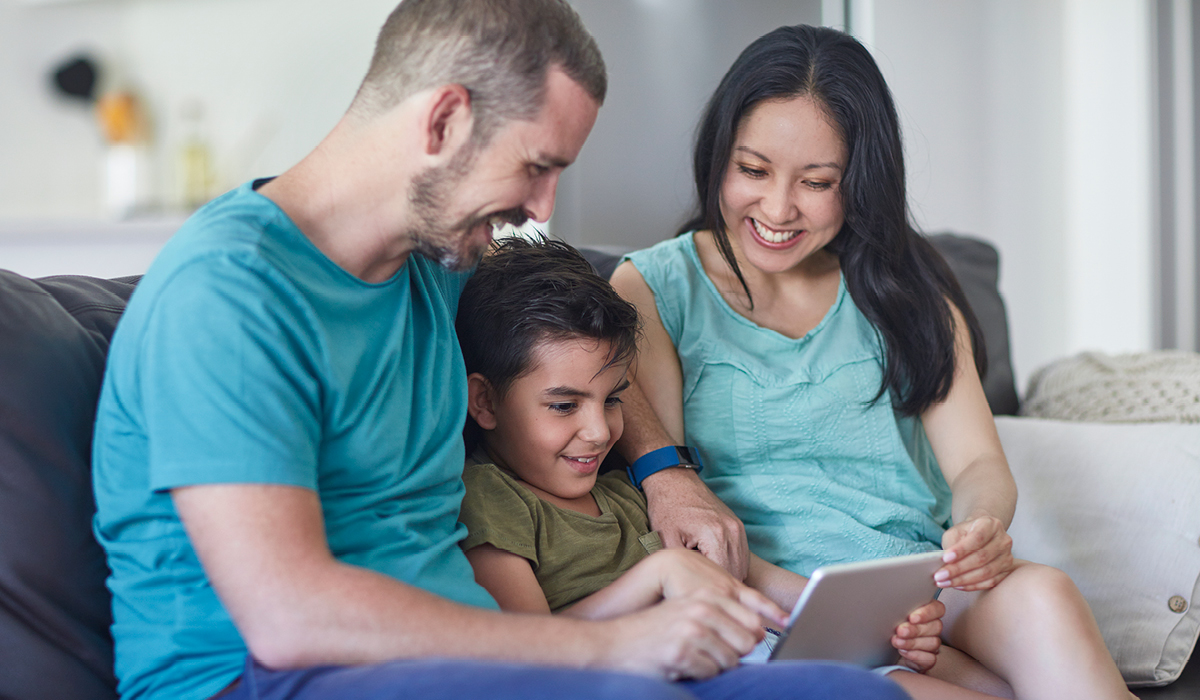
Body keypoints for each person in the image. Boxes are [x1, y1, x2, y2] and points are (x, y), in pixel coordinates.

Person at [90, 4, 911, 700]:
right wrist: (615, 647)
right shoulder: (230, 295)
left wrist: (667, 475)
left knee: (845, 689)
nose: (539, 207)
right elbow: (288, 617)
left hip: (463, 661)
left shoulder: (438, 271)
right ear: (444, 120)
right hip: (266, 674)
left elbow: (579, 358)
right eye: (536, 167)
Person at [610, 24, 1136, 700]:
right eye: (752, 170)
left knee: (1045, 596)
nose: (776, 207)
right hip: (771, 600)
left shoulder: (908, 290)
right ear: (719, 158)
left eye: (817, 181)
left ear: (859, 180)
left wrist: (977, 529)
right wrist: (852, 619)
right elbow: (680, 508)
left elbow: (977, 466)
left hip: (919, 586)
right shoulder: (654, 289)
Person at [452, 236, 949, 680]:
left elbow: (751, 578)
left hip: (763, 656)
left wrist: (881, 625)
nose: (600, 431)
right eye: (564, 405)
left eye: (612, 398)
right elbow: (527, 646)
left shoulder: (625, 490)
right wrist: (656, 576)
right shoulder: (493, 498)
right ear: (487, 403)